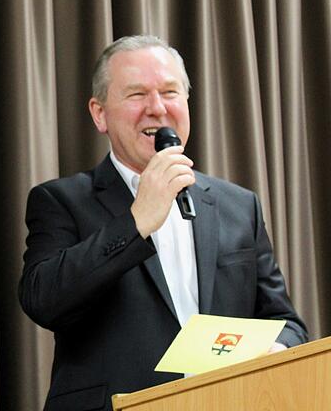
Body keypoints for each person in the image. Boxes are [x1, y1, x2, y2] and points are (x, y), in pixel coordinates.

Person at [18, 35, 307, 411]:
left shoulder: (238, 205)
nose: (157, 108)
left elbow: (286, 322)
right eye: (137, 95)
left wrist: (272, 348)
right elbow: (43, 300)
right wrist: (136, 221)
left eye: (170, 92)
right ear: (99, 113)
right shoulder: (62, 201)